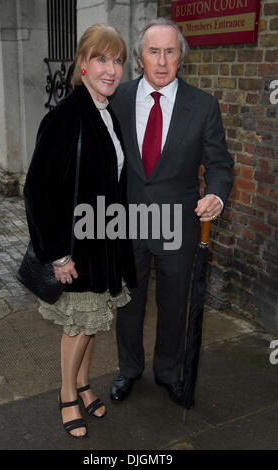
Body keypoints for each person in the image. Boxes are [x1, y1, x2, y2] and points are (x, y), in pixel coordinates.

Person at [110, 18, 234, 404]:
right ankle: (129, 370)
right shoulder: (118, 98)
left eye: (170, 51)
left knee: (174, 304)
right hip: (127, 220)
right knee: (128, 304)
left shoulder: (203, 105)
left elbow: (219, 164)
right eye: (153, 51)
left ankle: (168, 371)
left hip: (177, 223)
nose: (162, 61)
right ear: (139, 58)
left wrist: (216, 194)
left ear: (182, 57)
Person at [24, 24, 136, 438]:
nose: (111, 69)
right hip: (77, 248)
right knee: (77, 327)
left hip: (105, 244)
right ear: (83, 64)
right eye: (101, 59)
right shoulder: (66, 117)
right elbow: (36, 190)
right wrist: (57, 253)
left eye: (118, 60)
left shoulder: (105, 113)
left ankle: (85, 384)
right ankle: (67, 394)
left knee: (92, 324)